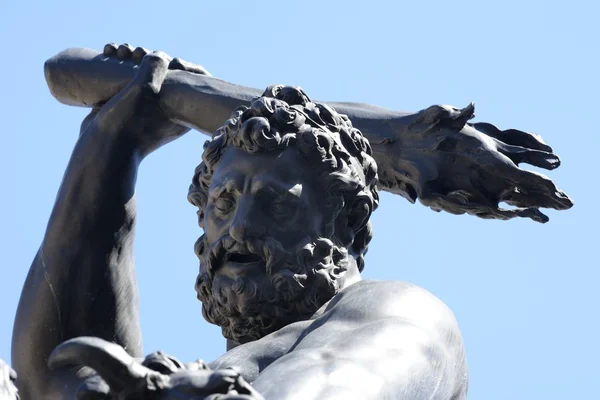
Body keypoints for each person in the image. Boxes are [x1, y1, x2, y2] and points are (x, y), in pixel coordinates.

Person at [12, 46, 571, 399]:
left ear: (347, 229)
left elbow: (336, 379)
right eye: (224, 204)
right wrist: (111, 143)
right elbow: (58, 373)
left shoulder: (394, 309)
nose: (240, 228)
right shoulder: (225, 366)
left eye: (278, 202)